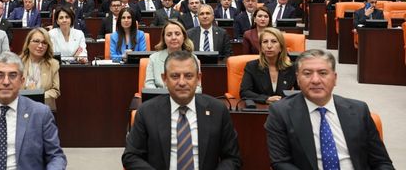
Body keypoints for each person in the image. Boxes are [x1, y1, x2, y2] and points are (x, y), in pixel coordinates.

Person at [265, 49, 394, 169]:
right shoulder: (281, 112)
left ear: (335, 78)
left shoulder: (359, 110)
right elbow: (280, 163)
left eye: (323, 73)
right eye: (307, 74)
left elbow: (381, 162)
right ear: (298, 79)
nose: (315, 80)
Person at [123, 50, 242, 169]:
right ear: (164, 79)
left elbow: (232, 158)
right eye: (175, 76)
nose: (182, 82)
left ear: (198, 78)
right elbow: (131, 156)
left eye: (188, 76)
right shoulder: (147, 111)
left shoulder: (218, 110)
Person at [240, 27, 297, 104]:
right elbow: (244, 92)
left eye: (274, 41)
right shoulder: (252, 66)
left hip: (284, 110)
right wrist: (266, 99)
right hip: (261, 110)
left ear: (281, 47)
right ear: (261, 47)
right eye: (265, 42)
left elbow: (302, 92)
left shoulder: (292, 68)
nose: (269, 46)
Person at [20, 28, 61, 111]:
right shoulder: (16, 63)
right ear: (28, 44)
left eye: (44, 43)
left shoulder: (53, 64)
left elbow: (55, 91)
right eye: (36, 41)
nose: (40, 46)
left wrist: (38, 95)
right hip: (21, 108)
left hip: (44, 109)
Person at [145, 20, 194, 89]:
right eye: (169, 35)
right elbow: (149, 85)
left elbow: (197, 87)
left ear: (184, 37)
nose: (173, 38)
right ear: (164, 38)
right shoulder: (154, 58)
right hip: (160, 98)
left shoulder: (193, 58)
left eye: (177, 34)